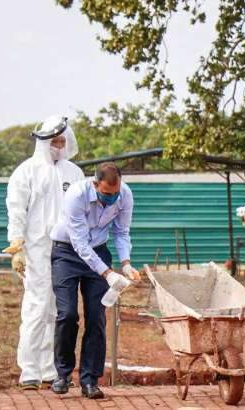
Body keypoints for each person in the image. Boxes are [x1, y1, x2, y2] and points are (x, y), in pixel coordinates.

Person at [3, 116, 85, 390]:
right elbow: (16, 210)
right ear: (44, 142)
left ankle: (51, 371)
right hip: (37, 250)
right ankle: (29, 370)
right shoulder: (26, 172)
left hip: (67, 251)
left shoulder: (74, 173)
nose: (59, 146)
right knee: (37, 307)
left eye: (63, 141)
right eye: (54, 141)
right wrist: (17, 248)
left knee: (59, 311)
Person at [49, 162, 139, 399]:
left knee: (96, 317)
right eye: (107, 194)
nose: (112, 198)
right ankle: (63, 374)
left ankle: (90, 380)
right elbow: (79, 244)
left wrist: (126, 263)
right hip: (67, 253)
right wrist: (108, 273)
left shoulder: (125, 194)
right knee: (67, 314)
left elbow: (121, 232)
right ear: (95, 183)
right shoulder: (76, 195)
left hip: (98, 251)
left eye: (116, 193)